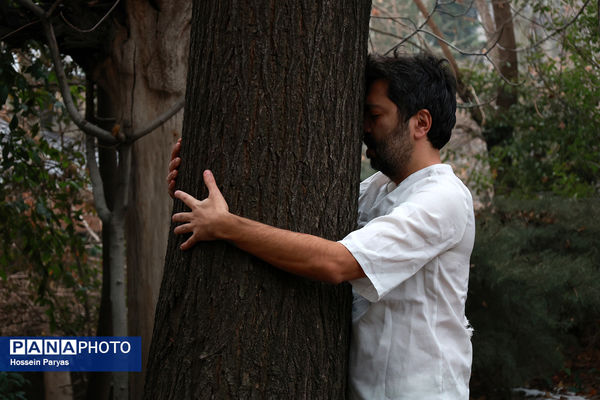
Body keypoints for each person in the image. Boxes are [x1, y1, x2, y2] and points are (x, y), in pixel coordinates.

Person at [166, 52, 475, 400]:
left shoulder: (442, 198)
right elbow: (294, 222)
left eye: (375, 116)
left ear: (421, 123)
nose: (363, 128)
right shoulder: (377, 190)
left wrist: (226, 226)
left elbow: (335, 262)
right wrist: (197, 188)